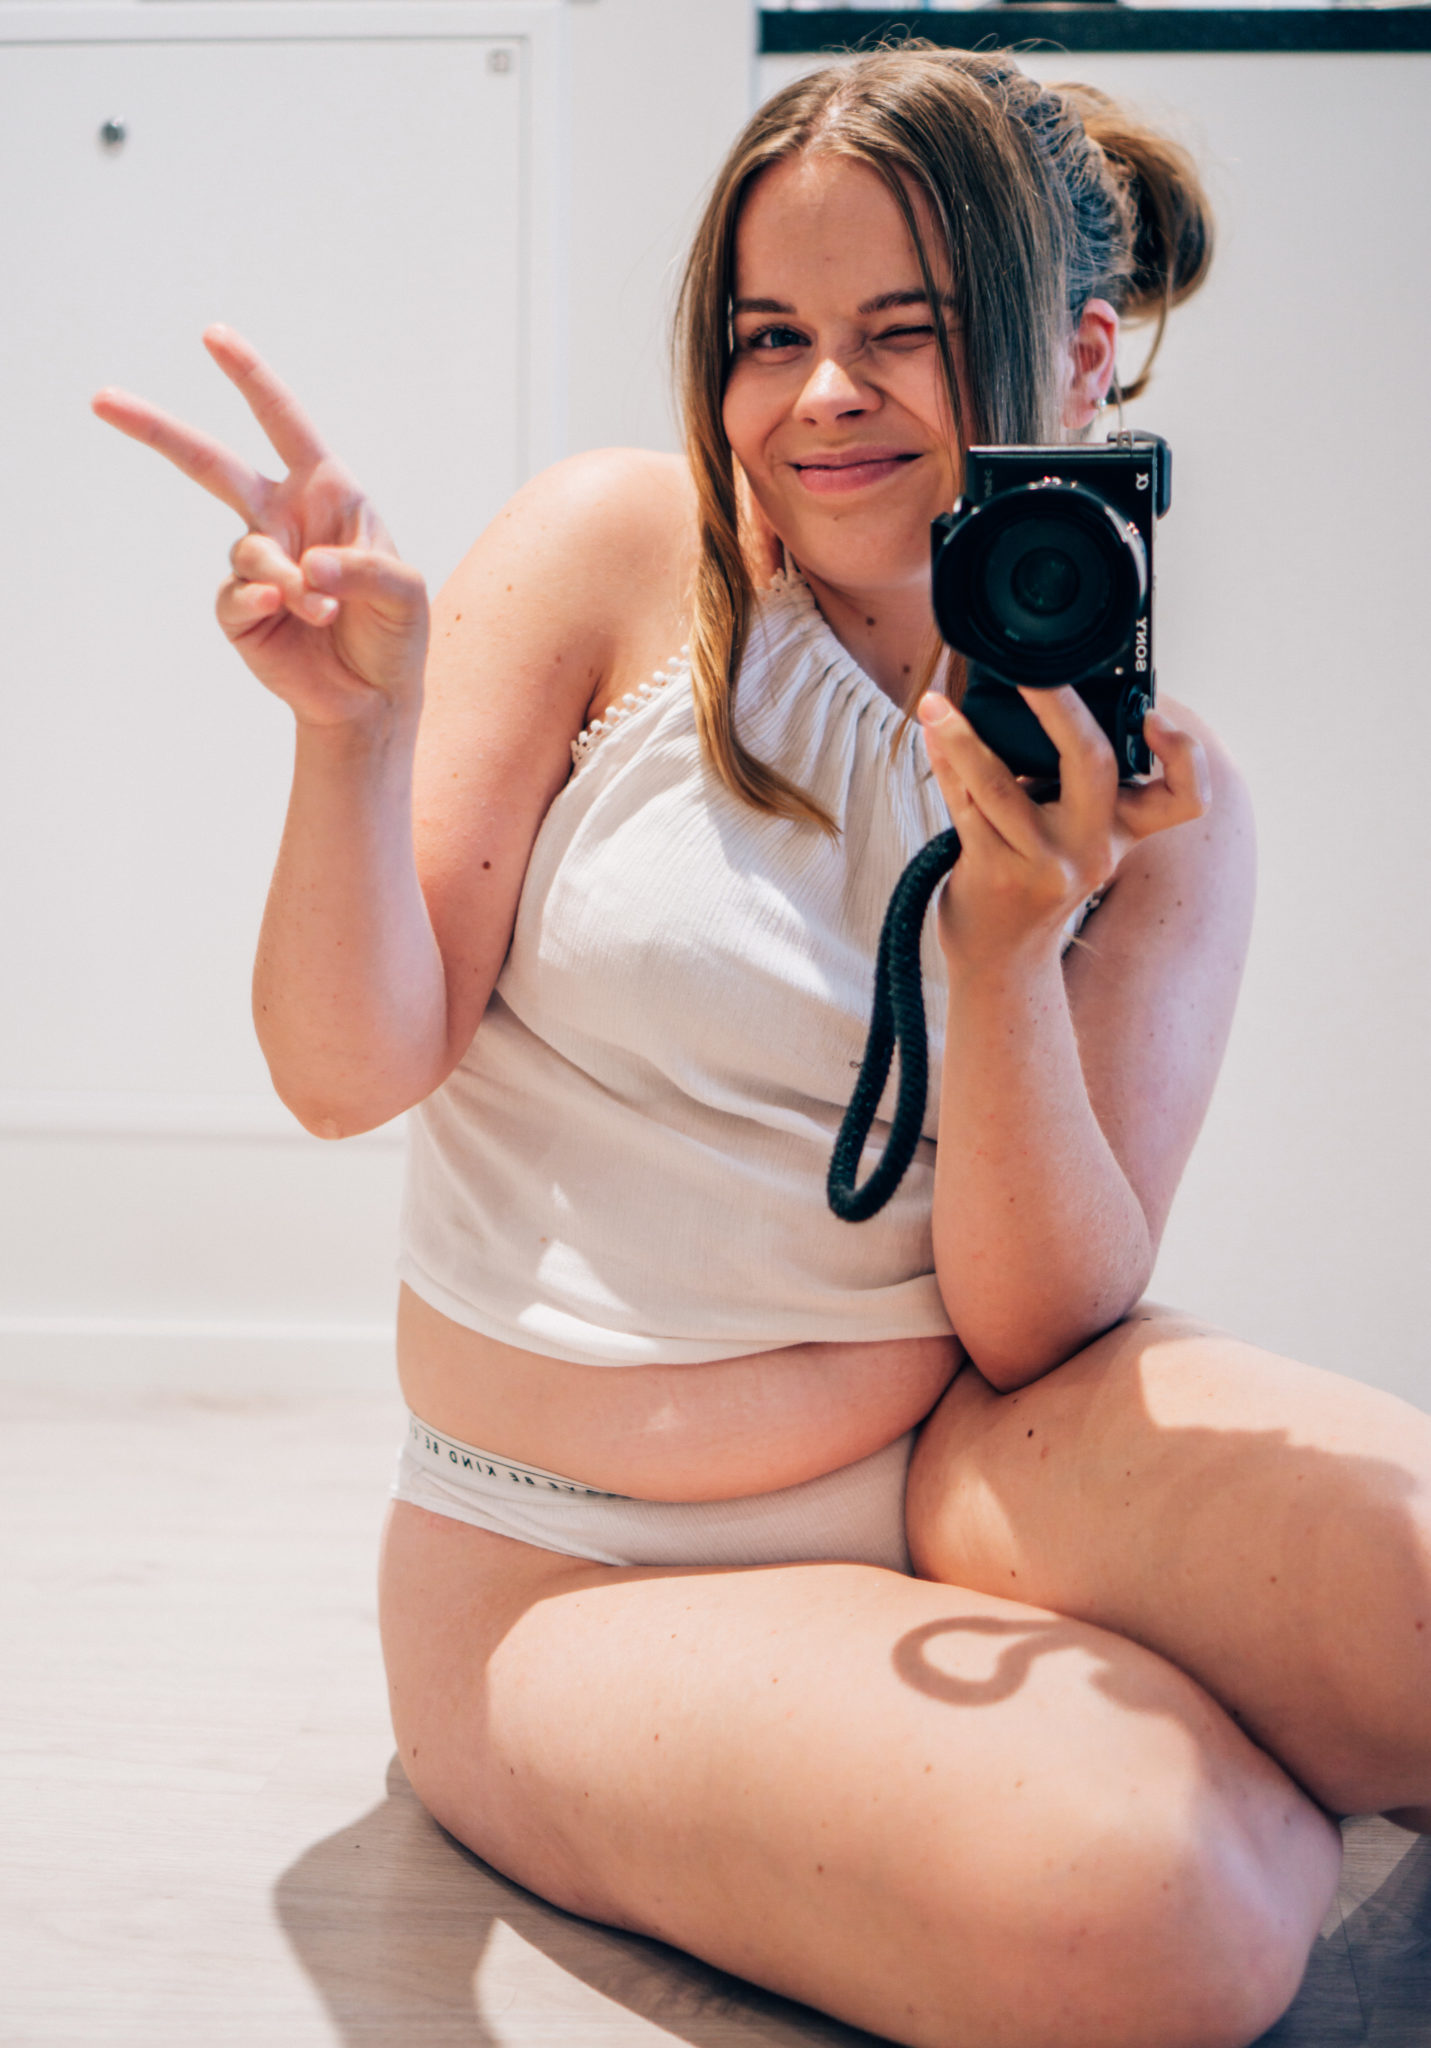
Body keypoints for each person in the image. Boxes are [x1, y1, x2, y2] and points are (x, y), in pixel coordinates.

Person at [94, 45, 1430, 2048]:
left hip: (974, 1457)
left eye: (907, 332)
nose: (822, 398)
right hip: (572, 1563)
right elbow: (343, 1070)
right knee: (1176, 1904)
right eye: (769, 336)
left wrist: (1006, 945)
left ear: (1079, 360)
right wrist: (351, 743)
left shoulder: (1158, 805)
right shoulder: (613, 558)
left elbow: (1042, 1322)